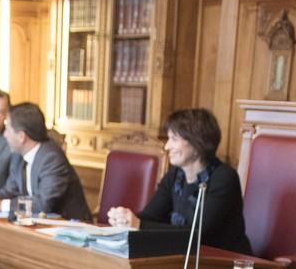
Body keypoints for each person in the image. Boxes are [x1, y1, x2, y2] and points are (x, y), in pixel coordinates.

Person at [106, 107, 251, 254]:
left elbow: (198, 233)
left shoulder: (224, 178)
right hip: (188, 257)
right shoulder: (175, 175)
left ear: (197, 142)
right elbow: (151, 216)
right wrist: (125, 219)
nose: (167, 146)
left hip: (224, 262)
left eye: (174, 139)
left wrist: (139, 225)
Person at [0, 102, 92, 222]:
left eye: (8, 129)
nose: (4, 135)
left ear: (21, 136)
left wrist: (1, 205)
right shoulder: (18, 155)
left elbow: (43, 204)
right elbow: (10, 190)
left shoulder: (51, 158)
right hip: (38, 226)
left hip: (70, 229)